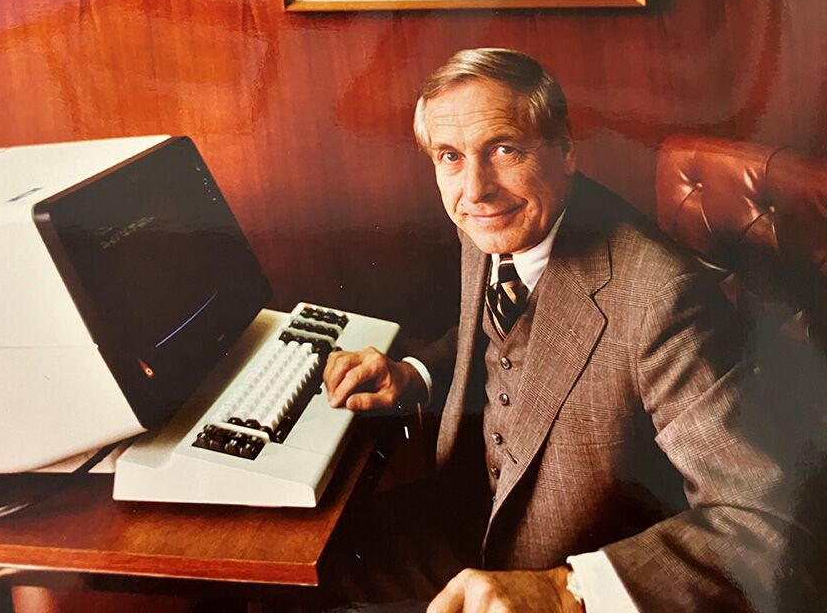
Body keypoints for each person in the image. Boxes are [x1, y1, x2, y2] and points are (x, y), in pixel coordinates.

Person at [322, 49, 809, 612]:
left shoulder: (660, 297)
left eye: (504, 149)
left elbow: (764, 525)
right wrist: (418, 373)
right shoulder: (493, 220)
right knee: (306, 572)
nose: (476, 188)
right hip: (471, 519)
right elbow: (495, 324)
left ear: (566, 150)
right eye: (450, 156)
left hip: (576, 568)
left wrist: (565, 591)